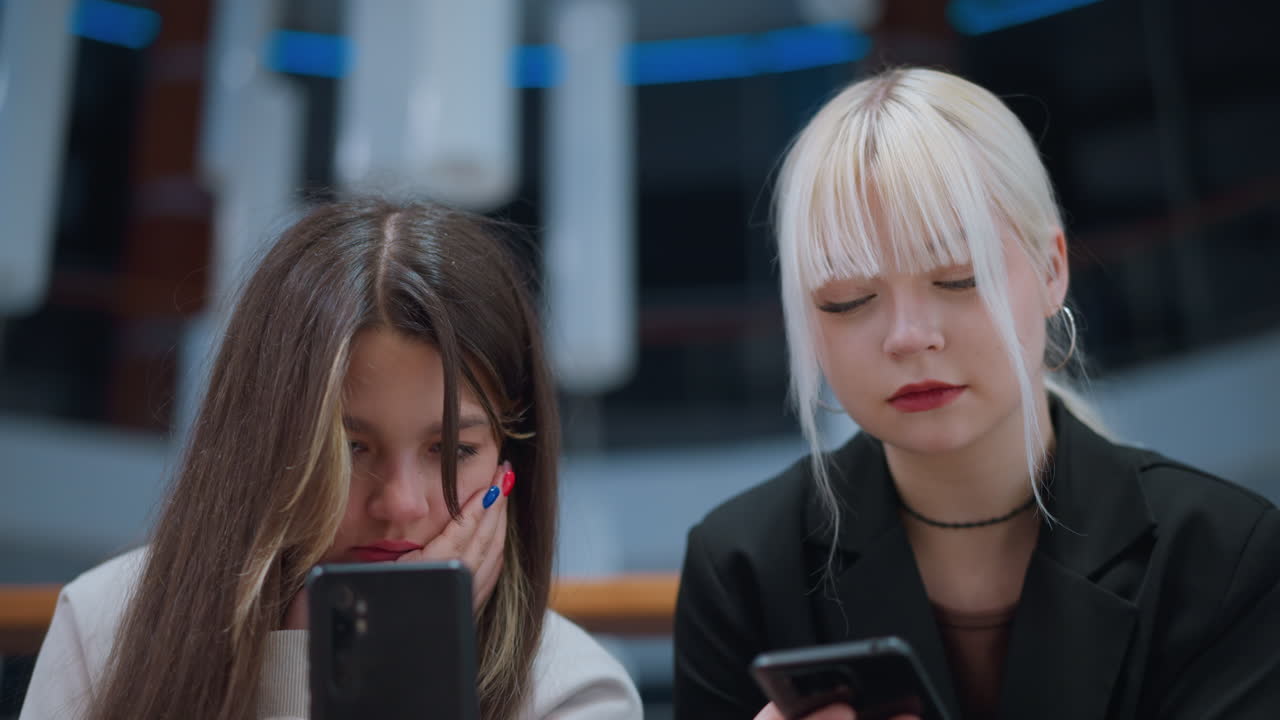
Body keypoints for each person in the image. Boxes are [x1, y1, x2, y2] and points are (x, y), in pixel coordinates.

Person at [674, 67, 1280, 720]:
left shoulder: (1224, 556)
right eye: (850, 301)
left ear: (1052, 269)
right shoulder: (742, 566)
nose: (908, 337)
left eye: (960, 280)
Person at [20, 198, 643, 720]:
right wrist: (302, 660)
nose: (400, 503)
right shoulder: (102, 626)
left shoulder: (574, 692)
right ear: (262, 446)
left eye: (454, 450)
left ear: (512, 461)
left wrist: (394, 672)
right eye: (350, 448)